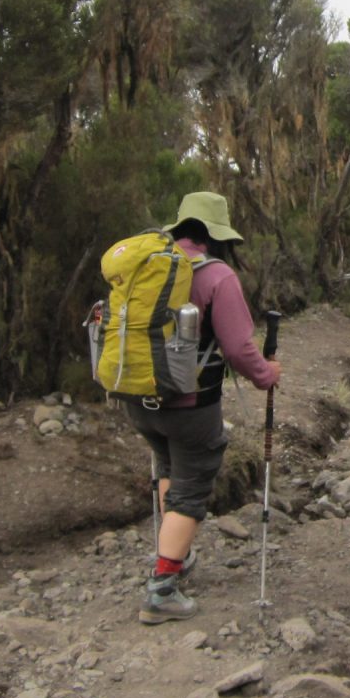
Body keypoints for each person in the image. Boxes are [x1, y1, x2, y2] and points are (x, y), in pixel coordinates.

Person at [125, 191, 279, 624]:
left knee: (168, 467)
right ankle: (161, 589)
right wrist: (268, 374)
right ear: (217, 234)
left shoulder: (149, 264)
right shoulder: (217, 275)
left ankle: (177, 554)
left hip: (138, 398)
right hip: (191, 404)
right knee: (191, 486)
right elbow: (238, 349)